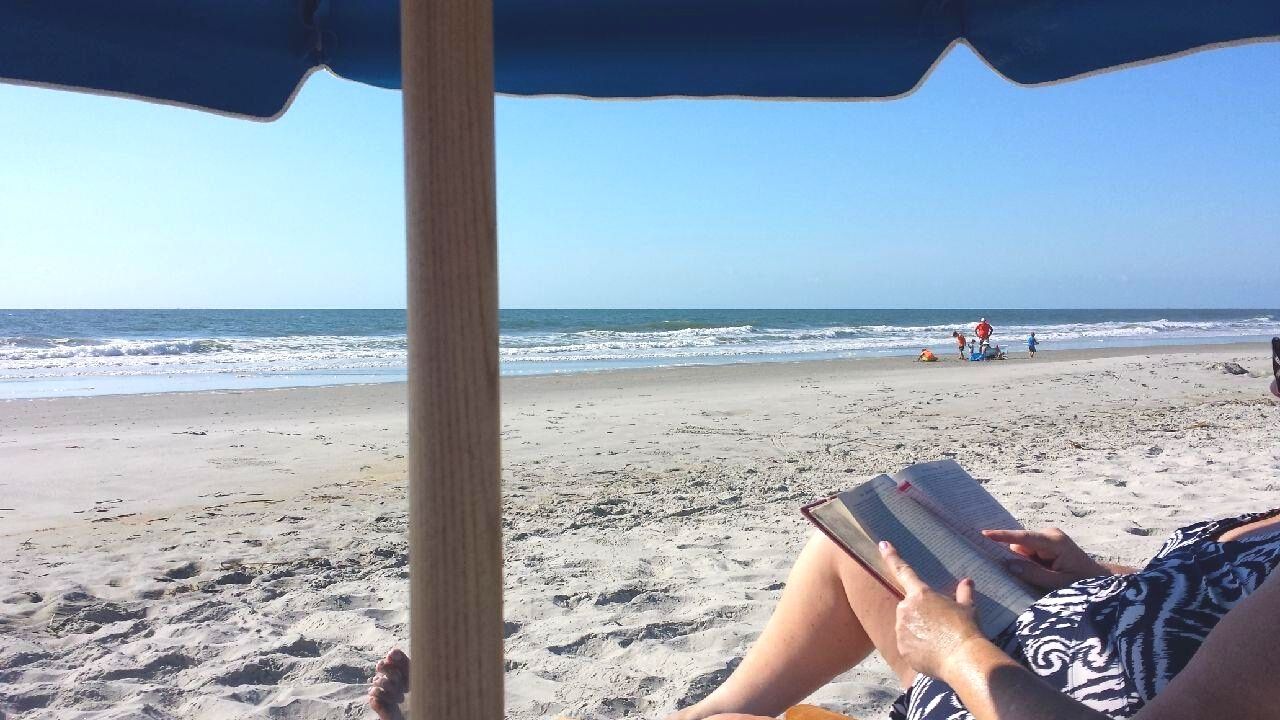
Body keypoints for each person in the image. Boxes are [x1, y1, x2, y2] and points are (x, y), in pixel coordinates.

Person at [369, 369, 1280, 720]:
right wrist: (1097, 569)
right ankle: (724, 710)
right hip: (1048, 630)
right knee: (854, 545)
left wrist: (955, 654)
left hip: (1013, 692)